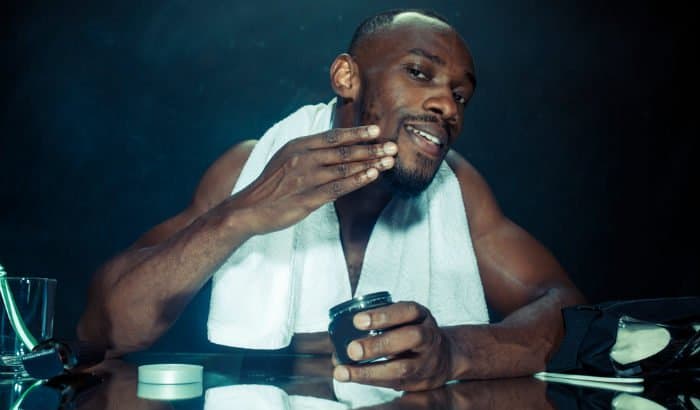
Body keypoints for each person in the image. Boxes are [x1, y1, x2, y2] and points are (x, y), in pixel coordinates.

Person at [77, 9, 586, 391]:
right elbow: (106, 328)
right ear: (346, 77)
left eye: (461, 95)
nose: (446, 105)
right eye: (418, 72)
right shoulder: (250, 169)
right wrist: (240, 215)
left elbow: (567, 309)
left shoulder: (458, 187)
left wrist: (454, 352)